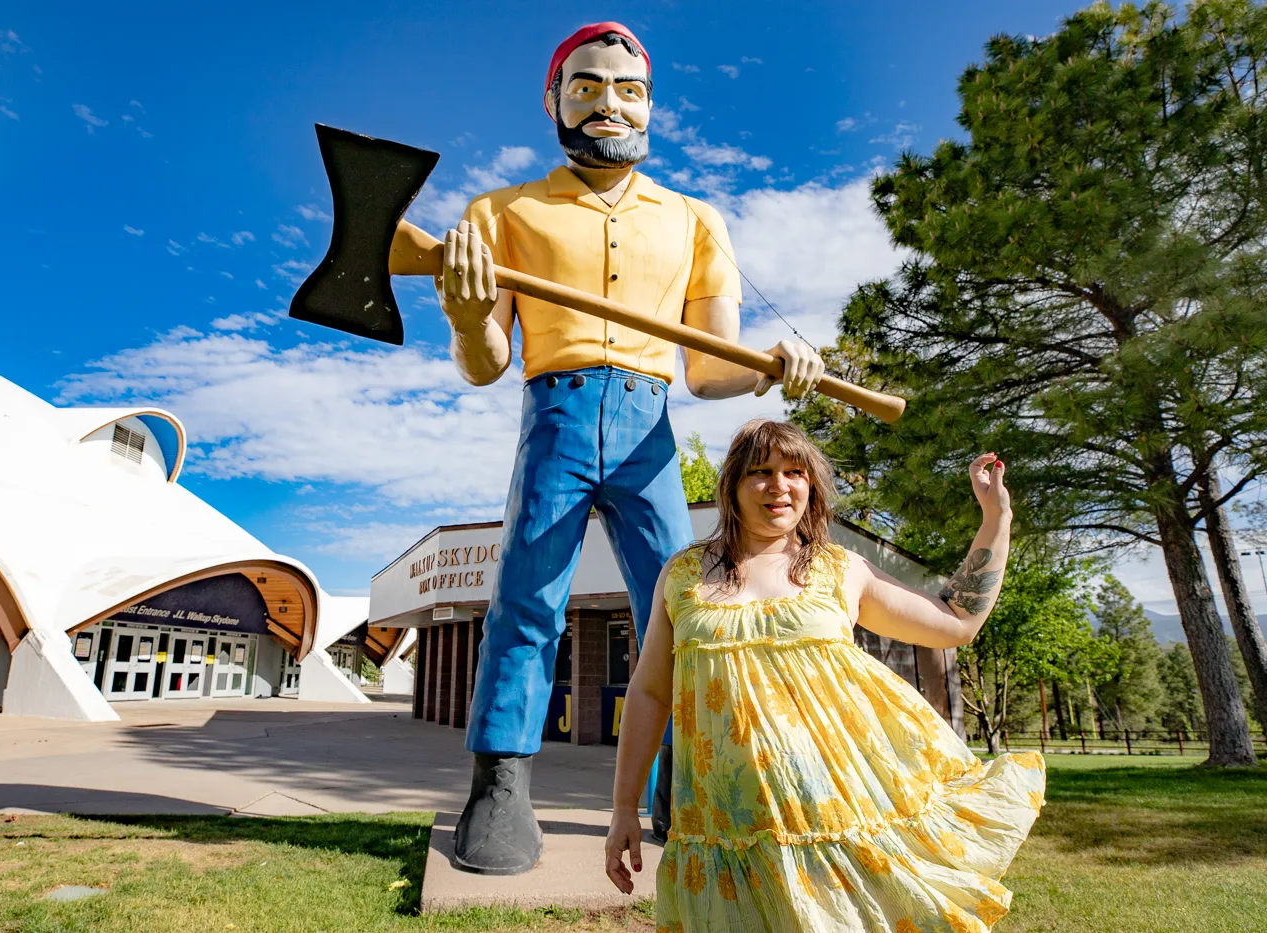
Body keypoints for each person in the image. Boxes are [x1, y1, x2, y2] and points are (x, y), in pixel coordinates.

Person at [440, 23, 825, 875]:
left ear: (650, 104)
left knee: (683, 606)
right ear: (552, 100)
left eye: (628, 88)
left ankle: (681, 782)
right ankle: (500, 783)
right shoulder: (499, 214)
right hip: (558, 417)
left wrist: (771, 368)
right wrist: (470, 316)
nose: (608, 103)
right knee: (527, 598)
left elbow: (709, 366)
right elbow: (486, 363)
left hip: (651, 428)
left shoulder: (694, 220)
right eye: (586, 86)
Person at [605, 419, 1045, 931]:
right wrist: (622, 808)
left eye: (795, 472)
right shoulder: (683, 574)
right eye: (761, 471)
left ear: (810, 486)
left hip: (838, 814)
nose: (779, 485)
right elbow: (651, 691)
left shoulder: (840, 568)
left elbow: (957, 621)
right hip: (726, 829)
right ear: (733, 485)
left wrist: (996, 518)